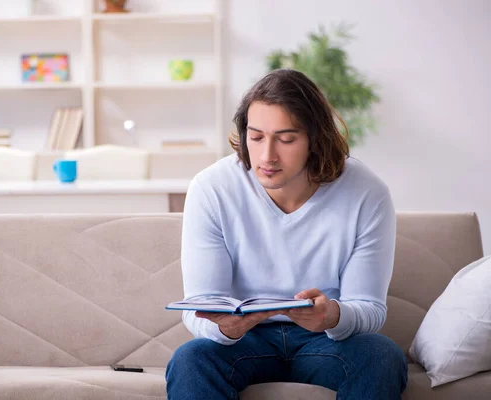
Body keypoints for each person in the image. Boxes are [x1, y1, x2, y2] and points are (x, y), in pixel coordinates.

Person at [165, 69, 408, 399]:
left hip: (325, 341)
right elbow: (200, 307)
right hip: (245, 340)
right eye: (256, 137)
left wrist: (331, 315)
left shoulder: (366, 192)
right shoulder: (212, 189)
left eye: (287, 139)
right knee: (190, 359)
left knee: (381, 356)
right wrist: (224, 327)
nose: (267, 156)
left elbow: (369, 308)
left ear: (315, 139)